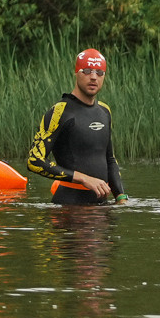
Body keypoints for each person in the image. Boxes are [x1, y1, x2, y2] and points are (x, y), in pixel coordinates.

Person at [27, 48, 123, 204]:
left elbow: (110, 159)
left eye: (99, 73)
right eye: (87, 71)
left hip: (102, 210)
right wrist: (82, 178)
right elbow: (34, 160)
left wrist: (121, 197)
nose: (93, 77)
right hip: (69, 208)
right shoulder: (60, 111)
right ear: (76, 72)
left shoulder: (105, 111)